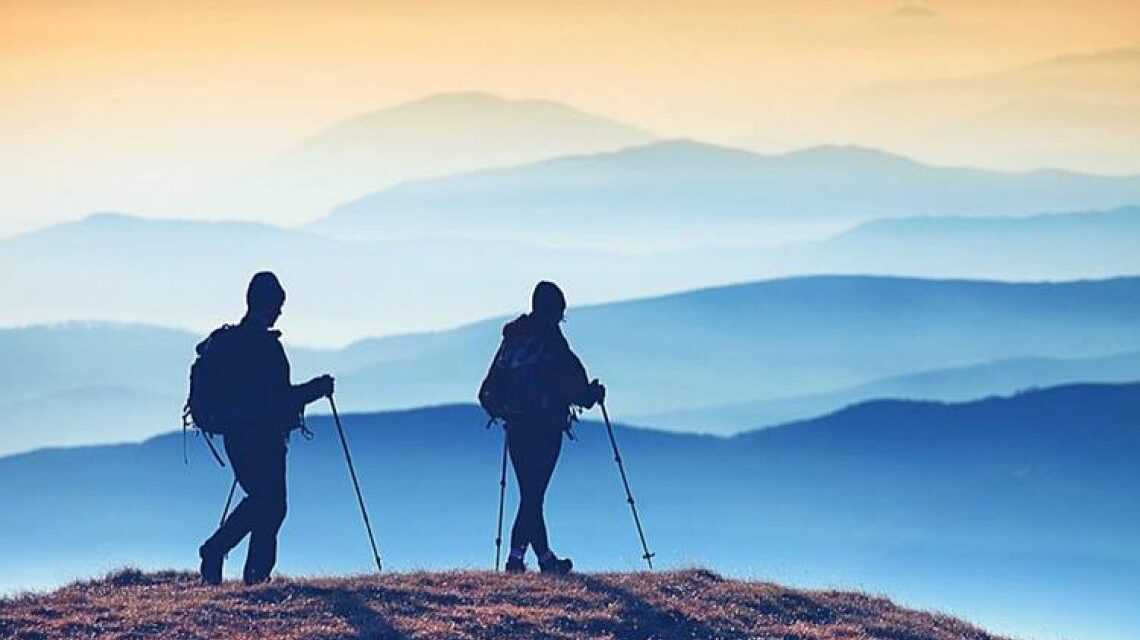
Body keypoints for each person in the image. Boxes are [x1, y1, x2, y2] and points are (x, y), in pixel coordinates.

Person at [198, 271, 334, 585]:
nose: (280, 312)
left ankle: (251, 573)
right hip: (263, 439)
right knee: (269, 502)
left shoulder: (232, 342)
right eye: (278, 305)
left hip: (237, 437)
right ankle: (224, 554)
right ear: (268, 305)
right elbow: (278, 400)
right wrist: (317, 388)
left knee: (267, 502)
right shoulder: (265, 348)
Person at [484, 281, 605, 574]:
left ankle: (546, 559)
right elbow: (574, 386)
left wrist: (504, 410)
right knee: (534, 493)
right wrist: (592, 395)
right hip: (546, 427)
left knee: (530, 491)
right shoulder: (551, 341)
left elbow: (489, 387)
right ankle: (516, 558)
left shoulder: (513, 339)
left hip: (516, 426)